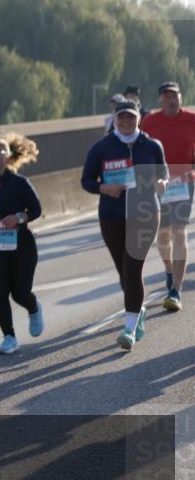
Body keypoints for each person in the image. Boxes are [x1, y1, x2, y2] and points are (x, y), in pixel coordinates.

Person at [81, 100, 168, 350]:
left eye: (131, 117)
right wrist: (102, 187)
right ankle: (137, 310)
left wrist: (162, 182)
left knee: (133, 269)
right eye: (122, 118)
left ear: (139, 118)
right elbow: (86, 180)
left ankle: (129, 329)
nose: (126, 122)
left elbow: (163, 172)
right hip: (112, 215)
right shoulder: (101, 148)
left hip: (146, 213)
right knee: (124, 272)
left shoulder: (152, 146)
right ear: (115, 119)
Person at [0, 134, 44, 354]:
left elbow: (36, 210)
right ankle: (9, 337)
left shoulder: (19, 183)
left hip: (21, 245)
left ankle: (33, 307)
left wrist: (19, 218)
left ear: (7, 156)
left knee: (20, 292)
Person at [141, 81, 195, 311]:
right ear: (160, 100)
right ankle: (169, 270)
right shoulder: (150, 122)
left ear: (181, 98)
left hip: (184, 183)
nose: (170, 100)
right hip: (159, 185)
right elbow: (140, 149)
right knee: (163, 235)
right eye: (166, 96)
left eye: (174, 95)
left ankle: (176, 291)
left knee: (179, 232)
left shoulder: (191, 120)